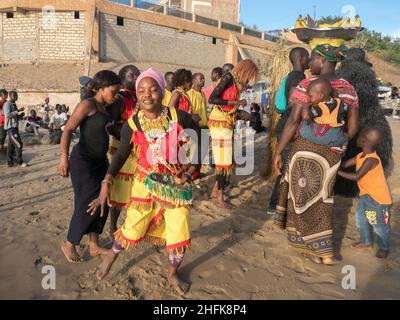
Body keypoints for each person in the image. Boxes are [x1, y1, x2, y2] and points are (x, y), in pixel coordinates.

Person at [88, 68, 201, 296]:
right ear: (136, 94)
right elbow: (120, 155)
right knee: (134, 225)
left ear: (162, 91)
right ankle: (112, 254)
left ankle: (172, 272)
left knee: (180, 228)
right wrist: (107, 179)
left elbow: (199, 146)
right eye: (141, 90)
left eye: (153, 89)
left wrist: (189, 172)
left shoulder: (180, 117)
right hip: (144, 184)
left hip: (176, 185)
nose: (147, 95)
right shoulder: (133, 123)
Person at [273, 43, 359, 265]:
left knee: (300, 196)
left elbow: (293, 121)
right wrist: (340, 144)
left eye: (312, 59)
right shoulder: (348, 88)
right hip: (332, 153)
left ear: (322, 59)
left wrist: (279, 151)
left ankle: (318, 249)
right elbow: (353, 127)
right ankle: (322, 249)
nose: (309, 63)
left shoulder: (307, 84)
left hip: (305, 149)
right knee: (324, 198)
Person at [58, 70, 122, 264]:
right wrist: (63, 158)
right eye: (113, 91)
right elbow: (68, 129)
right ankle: (70, 243)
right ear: (100, 89)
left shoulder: (107, 109)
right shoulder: (88, 105)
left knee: (101, 200)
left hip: (100, 162)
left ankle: (93, 245)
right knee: (87, 201)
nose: (116, 95)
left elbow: (109, 129)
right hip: (82, 161)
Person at [336, 47, 393, 196]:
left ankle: (344, 186)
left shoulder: (344, 72)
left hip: (353, 116)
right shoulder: (370, 74)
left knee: (351, 149)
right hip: (374, 118)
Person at [208, 59, 259, 209]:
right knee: (225, 161)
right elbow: (213, 99)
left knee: (227, 158)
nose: (249, 80)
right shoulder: (228, 78)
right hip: (219, 123)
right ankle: (220, 198)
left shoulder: (235, 82)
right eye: (250, 76)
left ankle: (215, 191)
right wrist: (237, 103)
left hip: (226, 122)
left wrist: (242, 113)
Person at [267, 47, 310, 215]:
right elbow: (294, 102)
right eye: (307, 57)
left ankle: (278, 204)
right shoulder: (298, 77)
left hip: (286, 125)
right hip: (288, 127)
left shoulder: (292, 76)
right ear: (301, 58)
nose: (309, 60)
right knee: (286, 169)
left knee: (289, 167)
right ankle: (274, 205)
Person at [338, 128, 392, 259]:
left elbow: (357, 176)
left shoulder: (371, 160)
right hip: (366, 195)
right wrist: (336, 162)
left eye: (359, 136)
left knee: (378, 225)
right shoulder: (360, 156)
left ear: (363, 141)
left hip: (378, 200)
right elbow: (345, 164)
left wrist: (336, 172)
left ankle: (384, 247)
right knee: (361, 219)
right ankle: (366, 242)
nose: (357, 138)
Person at [107, 65, 141, 241]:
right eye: (132, 75)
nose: (136, 77)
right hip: (122, 150)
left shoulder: (142, 97)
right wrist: (128, 133)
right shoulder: (119, 99)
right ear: (122, 78)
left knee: (136, 191)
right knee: (119, 192)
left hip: (139, 152)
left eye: (138, 74)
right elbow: (110, 126)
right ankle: (113, 226)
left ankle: (131, 227)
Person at [299, 78, 349, 148]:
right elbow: (346, 109)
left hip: (321, 135)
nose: (309, 99)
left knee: (303, 127)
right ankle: (343, 145)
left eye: (310, 96)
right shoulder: (340, 103)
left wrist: (306, 106)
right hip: (335, 137)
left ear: (321, 96)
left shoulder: (319, 107)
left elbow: (305, 117)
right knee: (344, 137)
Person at [3, 91, 27, 167]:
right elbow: (7, 115)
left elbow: (14, 117)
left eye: (16, 95)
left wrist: (20, 115)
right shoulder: (7, 104)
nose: (16, 97)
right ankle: (20, 162)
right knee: (19, 144)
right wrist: (17, 111)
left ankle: (10, 162)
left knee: (10, 146)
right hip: (11, 128)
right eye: (14, 95)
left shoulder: (13, 104)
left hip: (14, 127)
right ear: (10, 96)